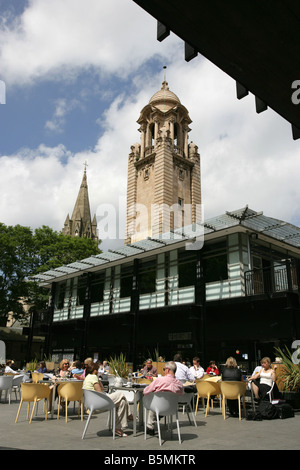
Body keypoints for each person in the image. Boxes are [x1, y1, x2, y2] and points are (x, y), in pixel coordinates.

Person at [82, 362, 132, 437]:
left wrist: (98, 379)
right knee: (121, 394)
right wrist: (107, 397)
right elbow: (100, 391)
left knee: (123, 402)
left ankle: (117, 428)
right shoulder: (93, 377)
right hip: (100, 402)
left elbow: (101, 388)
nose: (98, 371)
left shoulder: (88, 377)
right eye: (97, 370)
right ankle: (130, 415)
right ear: (94, 370)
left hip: (92, 404)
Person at [143, 361, 184, 435]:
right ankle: (156, 417)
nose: (164, 371)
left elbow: (146, 391)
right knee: (156, 402)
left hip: (158, 407)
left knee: (151, 400)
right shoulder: (179, 384)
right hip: (172, 408)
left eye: (164, 369)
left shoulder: (159, 380)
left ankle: (150, 426)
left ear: (168, 370)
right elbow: (181, 394)